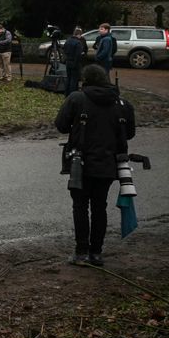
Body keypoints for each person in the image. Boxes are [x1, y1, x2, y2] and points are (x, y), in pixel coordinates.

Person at [54, 64, 136, 266]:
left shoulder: (77, 98)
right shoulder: (122, 104)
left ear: (86, 80)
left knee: (80, 207)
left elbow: (61, 125)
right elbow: (129, 133)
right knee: (100, 207)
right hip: (109, 163)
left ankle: (81, 251)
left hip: (79, 162)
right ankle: (96, 252)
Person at [63, 27, 86, 96]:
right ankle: (72, 94)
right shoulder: (78, 43)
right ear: (79, 35)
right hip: (75, 63)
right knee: (74, 79)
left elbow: (64, 50)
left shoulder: (68, 40)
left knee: (68, 78)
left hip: (68, 62)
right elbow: (78, 55)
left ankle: (66, 93)